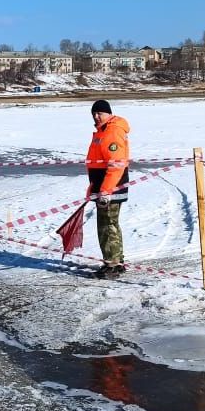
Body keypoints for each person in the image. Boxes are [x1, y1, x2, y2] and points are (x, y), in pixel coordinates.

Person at [86, 99, 130, 278]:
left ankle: (112, 265)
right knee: (110, 224)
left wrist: (105, 190)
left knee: (107, 226)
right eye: (94, 114)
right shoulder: (102, 131)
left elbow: (116, 165)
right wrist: (93, 188)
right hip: (103, 187)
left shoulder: (112, 132)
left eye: (100, 113)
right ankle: (116, 261)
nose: (97, 116)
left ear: (108, 113)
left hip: (111, 189)